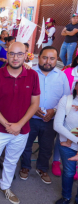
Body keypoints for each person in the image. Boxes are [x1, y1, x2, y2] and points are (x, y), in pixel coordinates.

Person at [0, 42, 40, 204]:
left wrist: (18, 125)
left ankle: (6, 186)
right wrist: (7, 125)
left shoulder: (33, 76)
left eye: (19, 54)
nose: (15, 57)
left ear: (25, 55)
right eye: (12, 54)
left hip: (21, 130)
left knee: (11, 161)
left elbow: (35, 104)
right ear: (7, 56)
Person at [20, 46, 70, 184]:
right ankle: (25, 167)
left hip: (51, 119)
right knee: (26, 144)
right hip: (30, 117)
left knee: (47, 146)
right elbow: (22, 94)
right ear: (39, 57)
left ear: (56, 60)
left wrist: (54, 110)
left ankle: (42, 168)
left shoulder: (62, 76)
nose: (48, 61)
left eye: (52, 58)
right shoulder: (29, 72)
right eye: (45, 57)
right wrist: (33, 108)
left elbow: (66, 97)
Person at [53, 82, 78, 204]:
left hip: (71, 140)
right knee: (68, 172)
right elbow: (57, 125)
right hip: (68, 144)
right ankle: (66, 197)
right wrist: (76, 140)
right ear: (76, 86)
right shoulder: (67, 100)